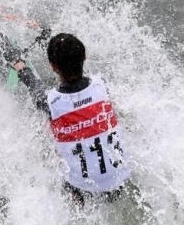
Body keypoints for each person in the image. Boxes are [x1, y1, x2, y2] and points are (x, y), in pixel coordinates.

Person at [13, 33, 131, 206]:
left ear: (53, 67)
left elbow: (32, 84)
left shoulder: (50, 102)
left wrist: (20, 66)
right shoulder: (102, 86)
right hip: (120, 180)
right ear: (84, 56)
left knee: (46, 135)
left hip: (82, 189)